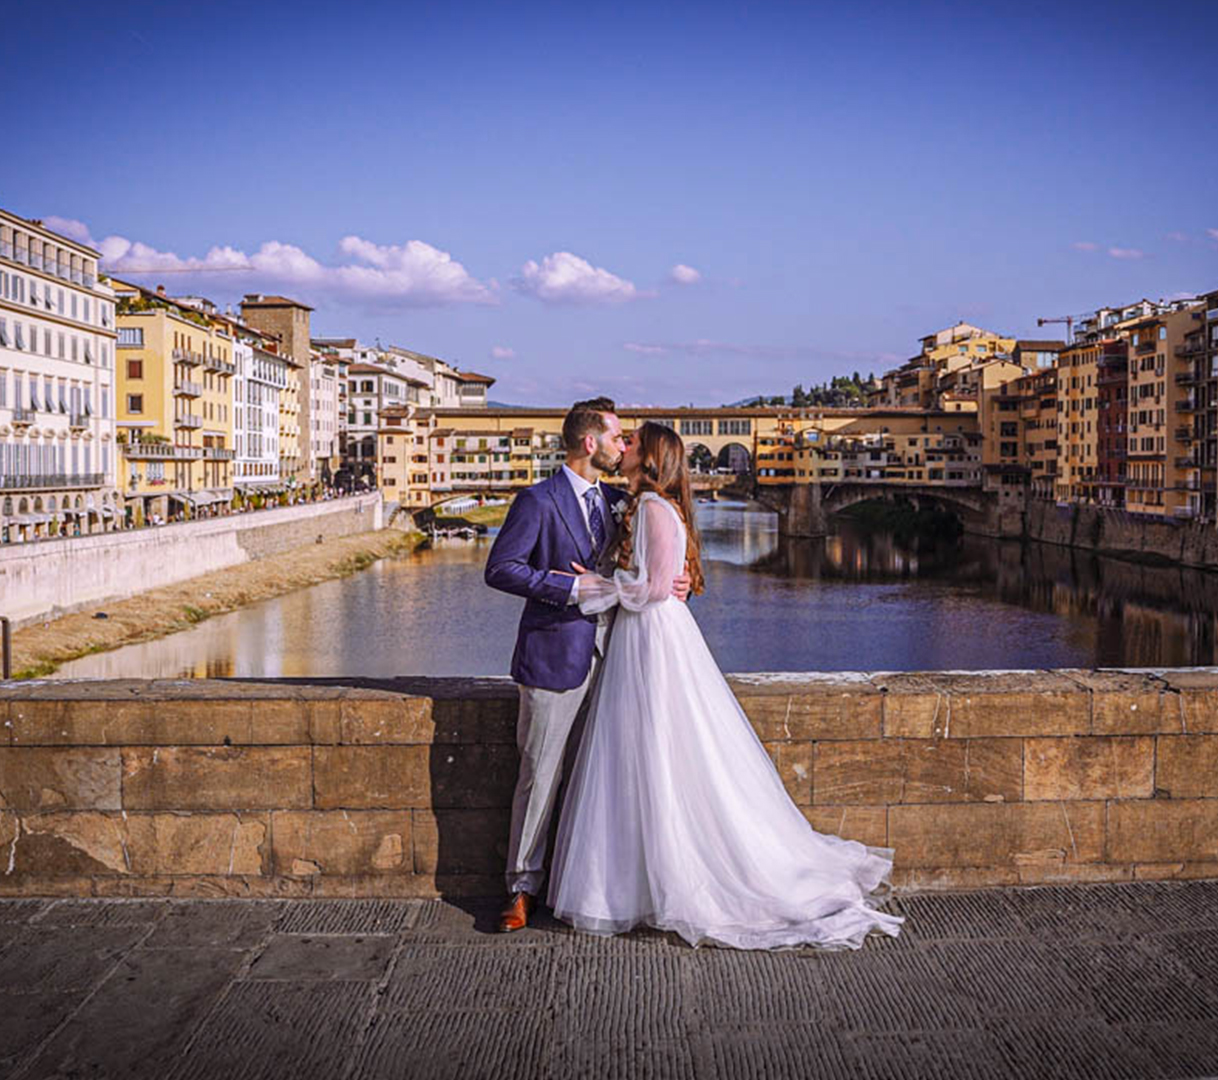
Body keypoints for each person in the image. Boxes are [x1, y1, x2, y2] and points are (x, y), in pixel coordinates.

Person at [548, 421, 903, 950]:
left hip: (651, 638)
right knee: (656, 753)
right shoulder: (651, 508)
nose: (622, 449)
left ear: (649, 460)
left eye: (632, 444)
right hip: (650, 637)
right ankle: (651, 881)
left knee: (651, 752)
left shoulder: (651, 509)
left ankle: (648, 884)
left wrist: (592, 586)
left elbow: (649, 590)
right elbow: (660, 580)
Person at [484, 398, 690, 933]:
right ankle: (521, 888)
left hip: (622, 659)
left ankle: (586, 887)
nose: (624, 446)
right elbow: (501, 568)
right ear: (588, 442)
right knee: (540, 775)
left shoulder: (628, 500)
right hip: (555, 655)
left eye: (628, 441)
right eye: (617, 437)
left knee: (610, 777)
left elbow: (658, 564)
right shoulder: (538, 500)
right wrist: (570, 587)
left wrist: (675, 585)